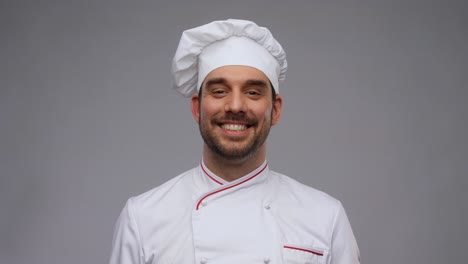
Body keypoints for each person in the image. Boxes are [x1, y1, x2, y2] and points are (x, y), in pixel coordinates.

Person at [109, 19, 360, 264]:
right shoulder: (143, 219)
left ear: (275, 109)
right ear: (197, 108)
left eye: (253, 92)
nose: (236, 106)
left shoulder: (325, 217)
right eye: (219, 91)